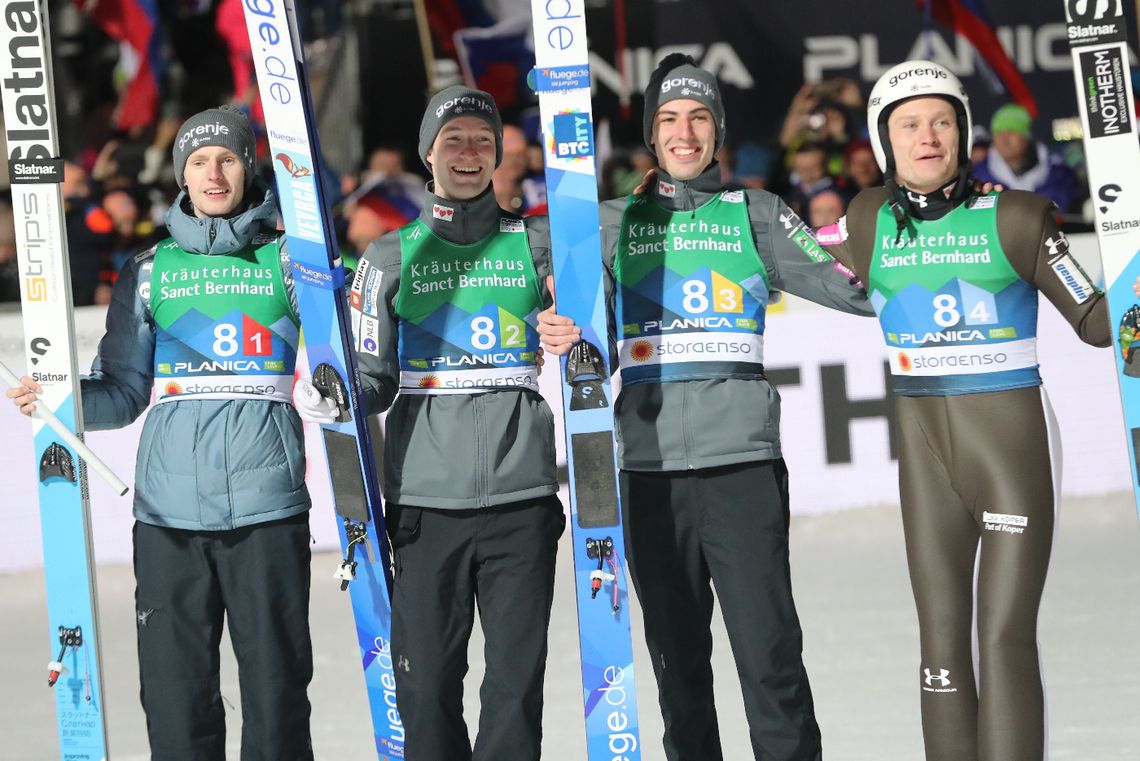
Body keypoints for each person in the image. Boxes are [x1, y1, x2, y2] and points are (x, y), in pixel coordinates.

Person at [537, 54, 873, 761]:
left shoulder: (757, 213)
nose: (684, 133)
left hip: (742, 469)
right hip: (647, 472)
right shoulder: (605, 223)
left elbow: (858, 288)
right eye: (668, 120)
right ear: (651, 136)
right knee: (679, 672)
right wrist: (554, 314)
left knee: (771, 660)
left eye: (698, 118)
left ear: (717, 133)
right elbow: (524, 276)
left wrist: (918, 224)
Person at [813, 60, 1109, 761]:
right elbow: (793, 258)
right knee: (940, 641)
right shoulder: (864, 218)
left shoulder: (1016, 217)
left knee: (1002, 635)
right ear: (886, 143)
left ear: (964, 131)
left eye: (941, 121)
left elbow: (1099, 323)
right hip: (927, 462)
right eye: (909, 125)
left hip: (1013, 454)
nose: (927, 137)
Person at [7, 106, 316, 761]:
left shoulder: (289, 260)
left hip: (268, 510)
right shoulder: (150, 269)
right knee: (176, 702)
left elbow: (344, 364)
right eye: (199, 160)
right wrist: (62, 399)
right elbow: (122, 392)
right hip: (167, 518)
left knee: (277, 695)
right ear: (180, 174)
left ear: (247, 167)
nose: (214, 171)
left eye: (227, 158)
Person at [300, 85, 563, 761]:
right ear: (427, 152)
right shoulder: (389, 259)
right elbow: (373, 380)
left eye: (483, 140)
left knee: (514, 685)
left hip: (521, 500)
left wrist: (577, 333)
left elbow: (599, 343)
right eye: (454, 140)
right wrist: (334, 391)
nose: (470, 153)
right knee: (426, 685)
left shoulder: (537, 247)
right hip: (423, 504)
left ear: (500, 152)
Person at [972, 102, 1077, 214]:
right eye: (998, 132)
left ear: (1026, 137)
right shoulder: (978, 177)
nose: (1004, 139)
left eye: (1011, 131)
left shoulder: (1059, 175)